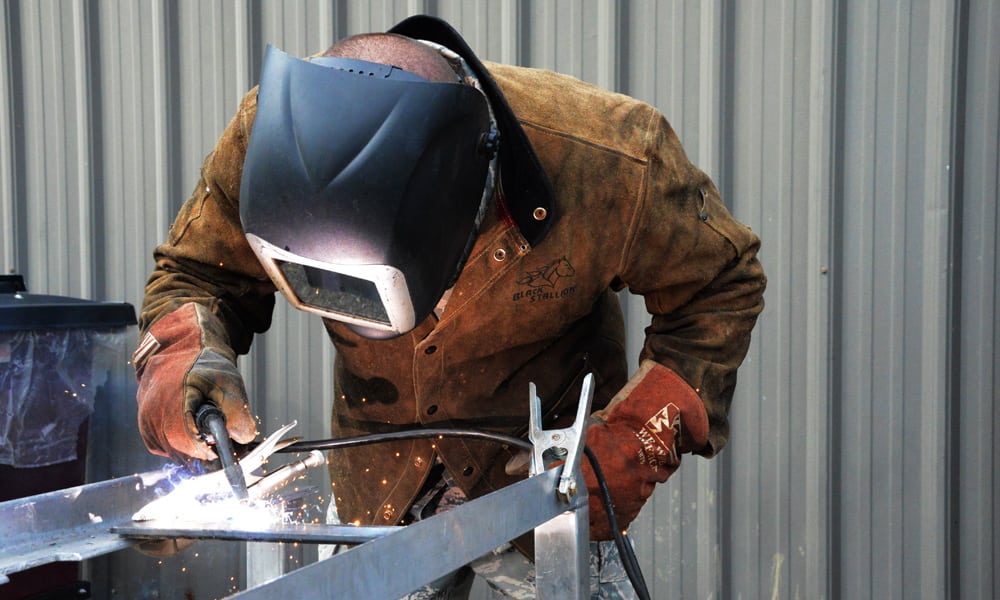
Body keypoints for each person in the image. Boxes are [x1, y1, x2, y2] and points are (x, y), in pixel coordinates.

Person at [132, 14, 765, 599]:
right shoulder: (268, 139)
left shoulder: (611, 160)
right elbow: (197, 274)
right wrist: (182, 357)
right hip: (380, 476)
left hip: (543, 481)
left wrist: (638, 435)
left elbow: (720, 283)